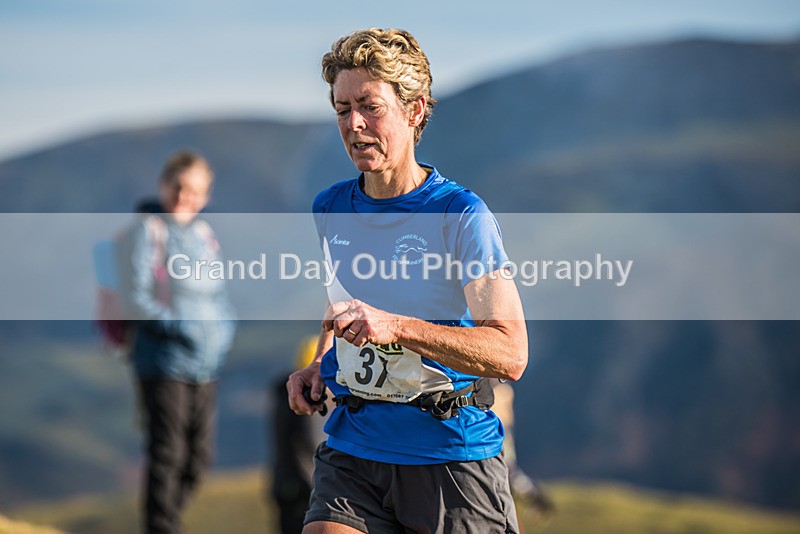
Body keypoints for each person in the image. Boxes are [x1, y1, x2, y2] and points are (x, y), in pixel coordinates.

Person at [287, 28, 528, 534]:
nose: (353, 124)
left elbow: (510, 353)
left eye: (369, 106)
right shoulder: (330, 207)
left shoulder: (461, 215)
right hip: (354, 446)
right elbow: (344, 304)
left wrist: (396, 326)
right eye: (341, 109)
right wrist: (318, 364)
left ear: (415, 110)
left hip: (449, 455)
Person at [117, 150, 236, 534]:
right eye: (179, 187)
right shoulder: (147, 231)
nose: (185, 197)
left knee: (198, 458)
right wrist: (180, 327)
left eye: (196, 191)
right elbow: (136, 299)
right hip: (163, 361)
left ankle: (166, 522)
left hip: (206, 364)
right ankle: (161, 527)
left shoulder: (203, 235)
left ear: (206, 196)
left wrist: (224, 329)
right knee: (167, 454)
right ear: (163, 186)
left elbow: (218, 294)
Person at [270, 336, 333, 534]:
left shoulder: (287, 398)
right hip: (303, 488)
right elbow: (309, 444)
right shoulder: (308, 403)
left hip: (286, 484)